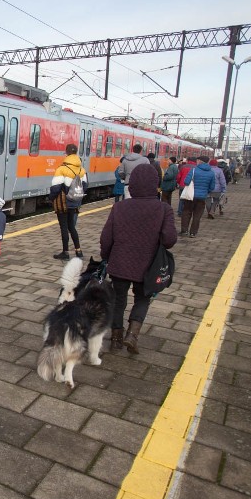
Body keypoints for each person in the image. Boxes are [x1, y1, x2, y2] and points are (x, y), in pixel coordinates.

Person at [100, 164, 177, 353]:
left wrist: (106, 257)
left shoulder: (119, 207)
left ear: (132, 184)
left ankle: (116, 338)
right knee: (142, 299)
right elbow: (169, 240)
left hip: (120, 263)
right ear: (155, 184)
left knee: (118, 300)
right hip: (148, 266)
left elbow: (106, 238)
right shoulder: (163, 209)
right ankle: (132, 335)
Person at [50, 144, 88, 260]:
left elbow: (56, 188)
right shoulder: (82, 169)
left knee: (64, 227)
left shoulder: (62, 169)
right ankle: (78, 251)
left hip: (63, 203)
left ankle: (65, 253)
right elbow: (85, 186)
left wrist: (51, 198)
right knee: (72, 226)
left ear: (66, 153)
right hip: (75, 202)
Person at [180, 156, 216, 237]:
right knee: (197, 215)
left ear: (200, 161)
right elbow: (212, 187)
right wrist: (205, 192)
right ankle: (193, 233)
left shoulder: (194, 170)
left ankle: (184, 231)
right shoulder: (211, 173)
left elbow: (186, 182)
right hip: (202, 197)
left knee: (186, 212)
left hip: (190, 196)